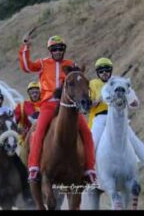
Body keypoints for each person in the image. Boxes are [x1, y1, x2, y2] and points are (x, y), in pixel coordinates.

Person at [18, 34, 96, 183]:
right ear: (50, 50)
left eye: (61, 48)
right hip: (48, 104)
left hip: (68, 104)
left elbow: (78, 82)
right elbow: (26, 67)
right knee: (39, 130)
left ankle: (90, 169)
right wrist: (26, 48)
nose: (58, 51)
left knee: (86, 132)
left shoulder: (70, 65)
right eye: (55, 49)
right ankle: (33, 167)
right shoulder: (42, 63)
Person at [88, 57, 144, 181]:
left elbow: (133, 99)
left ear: (111, 70)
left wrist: (133, 101)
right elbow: (88, 104)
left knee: (134, 140)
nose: (104, 73)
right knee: (92, 142)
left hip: (117, 117)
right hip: (101, 117)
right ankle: (87, 173)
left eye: (107, 70)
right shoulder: (93, 84)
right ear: (97, 72)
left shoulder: (118, 81)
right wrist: (97, 100)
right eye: (101, 71)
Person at [14, 81, 41, 165]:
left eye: (37, 92)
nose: (34, 94)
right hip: (26, 141)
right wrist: (17, 129)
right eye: (32, 92)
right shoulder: (22, 106)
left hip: (45, 138)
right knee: (22, 164)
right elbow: (13, 121)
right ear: (28, 93)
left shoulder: (46, 105)